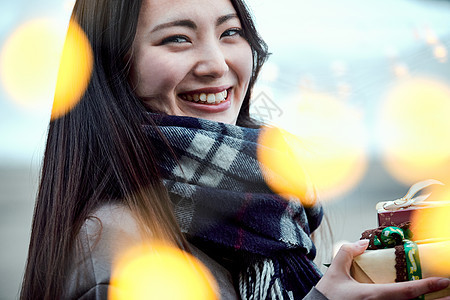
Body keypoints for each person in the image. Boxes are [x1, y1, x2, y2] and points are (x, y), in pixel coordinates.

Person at [21, 0, 450, 299]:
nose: (216, 63)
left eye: (230, 32)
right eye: (176, 39)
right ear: (115, 65)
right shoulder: (118, 239)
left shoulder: (271, 201)